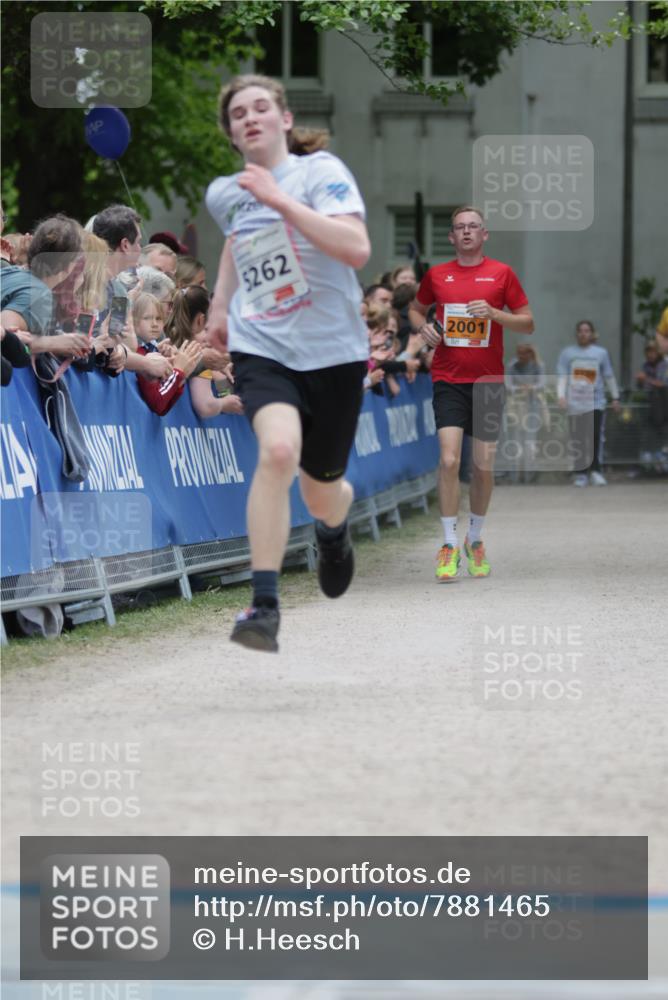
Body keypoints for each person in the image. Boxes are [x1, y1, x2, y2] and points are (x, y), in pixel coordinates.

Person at [206, 73, 370, 652]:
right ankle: (264, 605)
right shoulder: (225, 192)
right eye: (237, 114)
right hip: (263, 344)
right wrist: (222, 303)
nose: (249, 118)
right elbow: (236, 238)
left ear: (284, 119)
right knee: (277, 452)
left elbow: (355, 248)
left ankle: (332, 526)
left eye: (260, 108)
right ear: (231, 132)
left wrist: (279, 200)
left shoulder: (320, 173)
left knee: (323, 490)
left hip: (333, 352)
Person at [408, 205, 534, 581]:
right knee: (449, 461)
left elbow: (527, 323)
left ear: (484, 235)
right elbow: (416, 310)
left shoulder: (501, 274)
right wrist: (425, 329)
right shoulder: (437, 275)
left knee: (482, 467)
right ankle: (448, 544)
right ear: (451, 237)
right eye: (459, 227)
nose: (466, 232)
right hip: (448, 379)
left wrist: (495, 314)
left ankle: (474, 539)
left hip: (489, 383)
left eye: (473, 227)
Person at [556, 319, 620, 487]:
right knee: (578, 439)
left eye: (587, 331)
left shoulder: (601, 353)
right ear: (576, 333)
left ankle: (596, 472)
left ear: (591, 334)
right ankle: (580, 474)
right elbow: (562, 377)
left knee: (595, 438)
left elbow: (608, 375)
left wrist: (615, 397)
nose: (583, 333)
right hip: (575, 404)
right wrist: (560, 395)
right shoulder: (567, 353)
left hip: (596, 403)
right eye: (580, 331)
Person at [165, 284, 243, 419]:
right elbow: (205, 406)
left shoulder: (172, 343)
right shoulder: (197, 350)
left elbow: (223, 390)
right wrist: (225, 403)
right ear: (201, 320)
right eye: (210, 325)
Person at [131, 291, 201, 416]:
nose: (154, 324)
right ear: (134, 322)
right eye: (147, 318)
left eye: (158, 318)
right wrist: (178, 371)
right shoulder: (139, 354)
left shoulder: (156, 351)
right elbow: (157, 404)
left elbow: (164, 408)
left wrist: (180, 377)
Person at [504, 342, 547, 483]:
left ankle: (529, 475)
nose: (521, 356)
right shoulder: (512, 365)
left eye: (524, 353)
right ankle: (514, 476)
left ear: (530, 354)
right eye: (519, 353)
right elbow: (507, 384)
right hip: (515, 406)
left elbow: (541, 384)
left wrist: (530, 388)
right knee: (515, 440)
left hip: (532, 406)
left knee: (530, 441)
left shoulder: (538, 365)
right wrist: (520, 389)